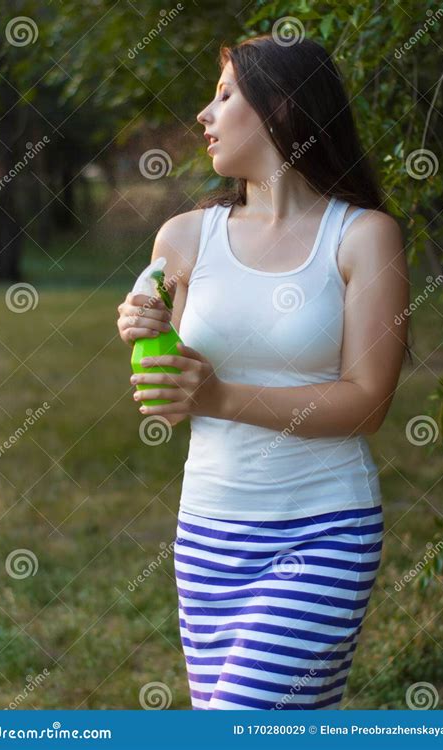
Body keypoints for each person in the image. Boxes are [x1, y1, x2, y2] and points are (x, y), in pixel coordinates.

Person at [117, 33, 410, 710]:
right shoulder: (184, 237)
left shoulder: (363, 238)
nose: (203, 114)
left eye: (224, 95)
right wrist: (141, 331)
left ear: (281, 106)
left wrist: (217, 394)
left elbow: (367, 403)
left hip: (322, 532)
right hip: (208, 536)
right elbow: (159, 372)